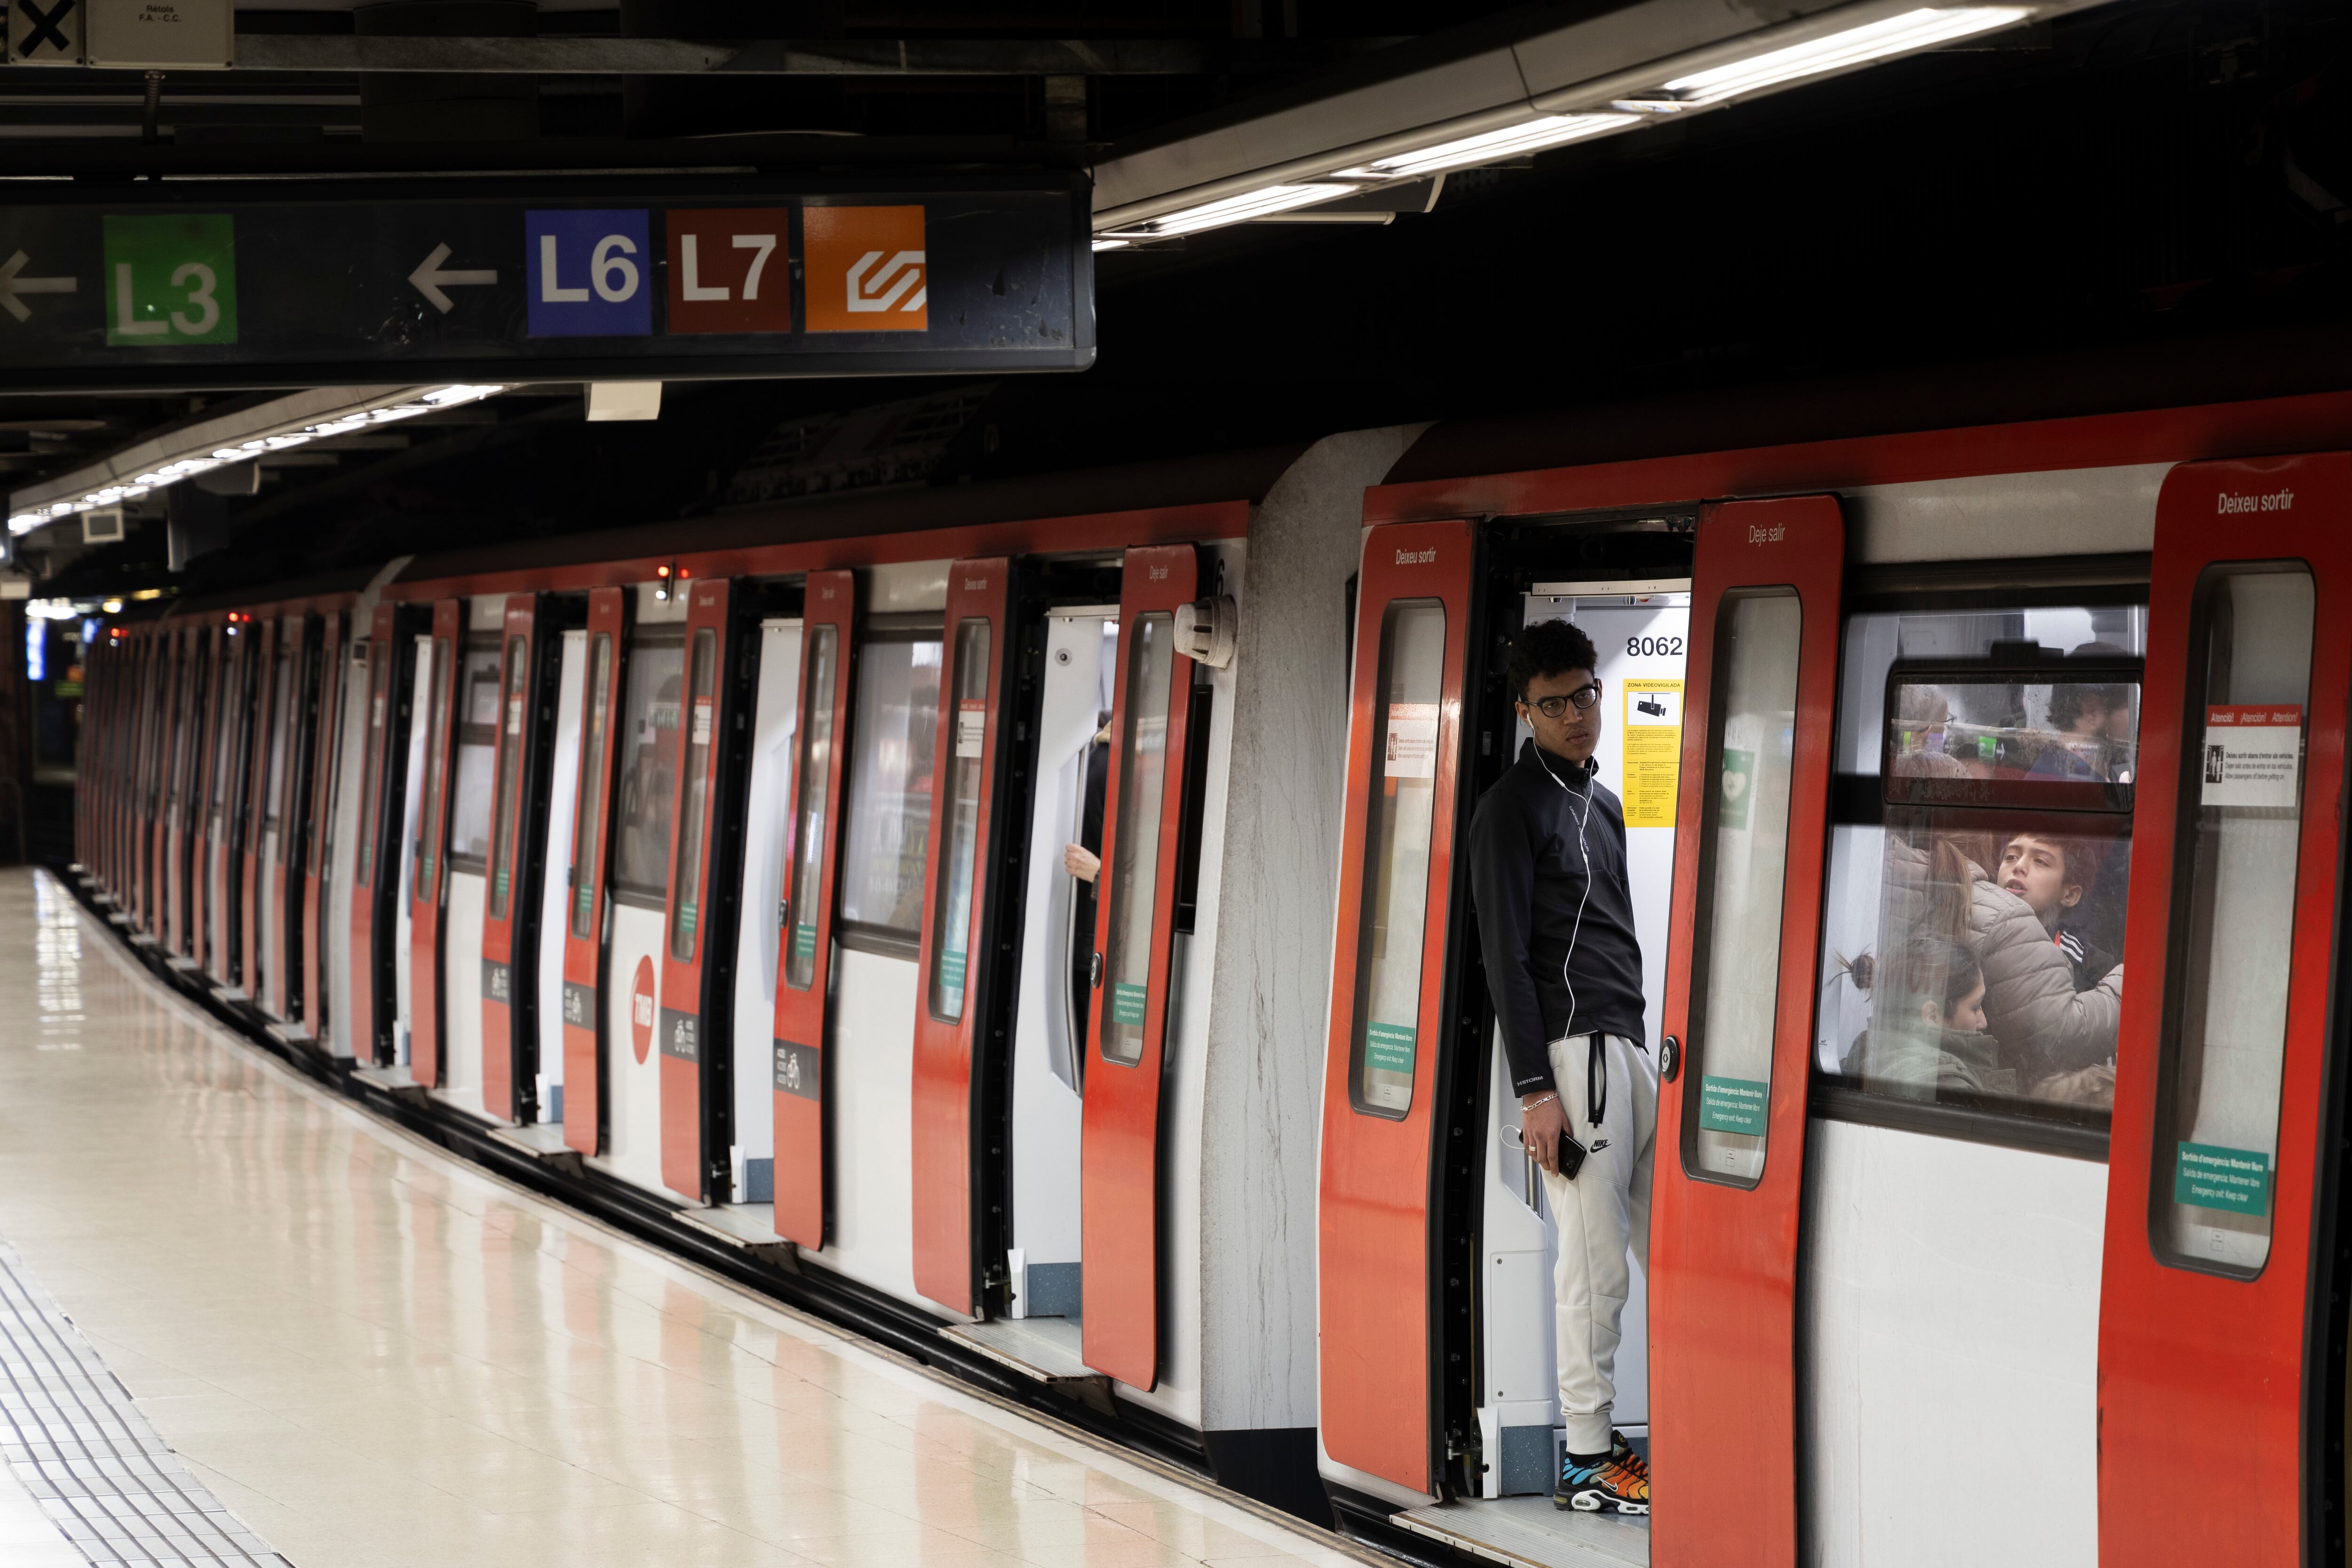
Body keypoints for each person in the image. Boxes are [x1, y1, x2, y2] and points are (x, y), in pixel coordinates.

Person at [1467, 618, 1653, 1516]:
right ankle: (1584, 1456)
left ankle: (1613, 1439)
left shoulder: (1603, 800)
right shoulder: (1511, 807)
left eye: (1586, 693)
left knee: (1660, 1257)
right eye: (1555, 703)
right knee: (1593, 1264)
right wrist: (1535, 1088)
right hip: (1574, 1062)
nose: (1578, 715)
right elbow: (1506, 957)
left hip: (1629, 1049)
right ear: (1524, 709)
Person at [1995, 831, 2118, 992]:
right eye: (2011, 857)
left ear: (2070, 895)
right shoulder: (1968, 934)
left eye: (2040, 861)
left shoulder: (2090, 967)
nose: (2019, 867)